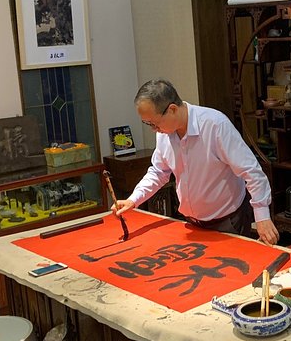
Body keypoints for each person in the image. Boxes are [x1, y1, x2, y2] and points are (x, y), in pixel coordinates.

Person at [111, 79, 280, 245]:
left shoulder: (214, 125)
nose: (153, 129)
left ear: (172, 109)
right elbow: (158, 172)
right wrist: (133, 200)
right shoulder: (164, 134)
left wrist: (262, 216)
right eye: (148, 124)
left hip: (228, 221)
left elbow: (251, 171)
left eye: (154, 123)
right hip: (192, 223)